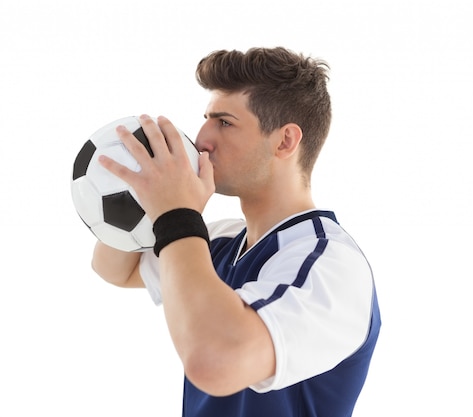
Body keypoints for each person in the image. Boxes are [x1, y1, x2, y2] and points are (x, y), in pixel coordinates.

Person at [92, 47, 381, 417]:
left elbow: (215, 362)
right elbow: (116, 269)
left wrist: (177, 215)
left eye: (224, 122)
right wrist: (141, 187)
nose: (201, 139)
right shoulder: (219, 240)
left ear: (285, 141)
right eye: (205, 119)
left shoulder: (330, 264)